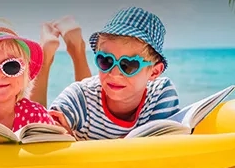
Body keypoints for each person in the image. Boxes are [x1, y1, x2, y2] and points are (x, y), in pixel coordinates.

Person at [33, 7, 180, 140]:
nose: (114, 74)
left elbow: (161, 144)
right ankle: (45, 57)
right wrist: (56, 129)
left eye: (128, 65)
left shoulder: (161, 93)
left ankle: (77, 49)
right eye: (106, 60)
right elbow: (36, 131)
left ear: (154, 72)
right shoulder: (78, 96)